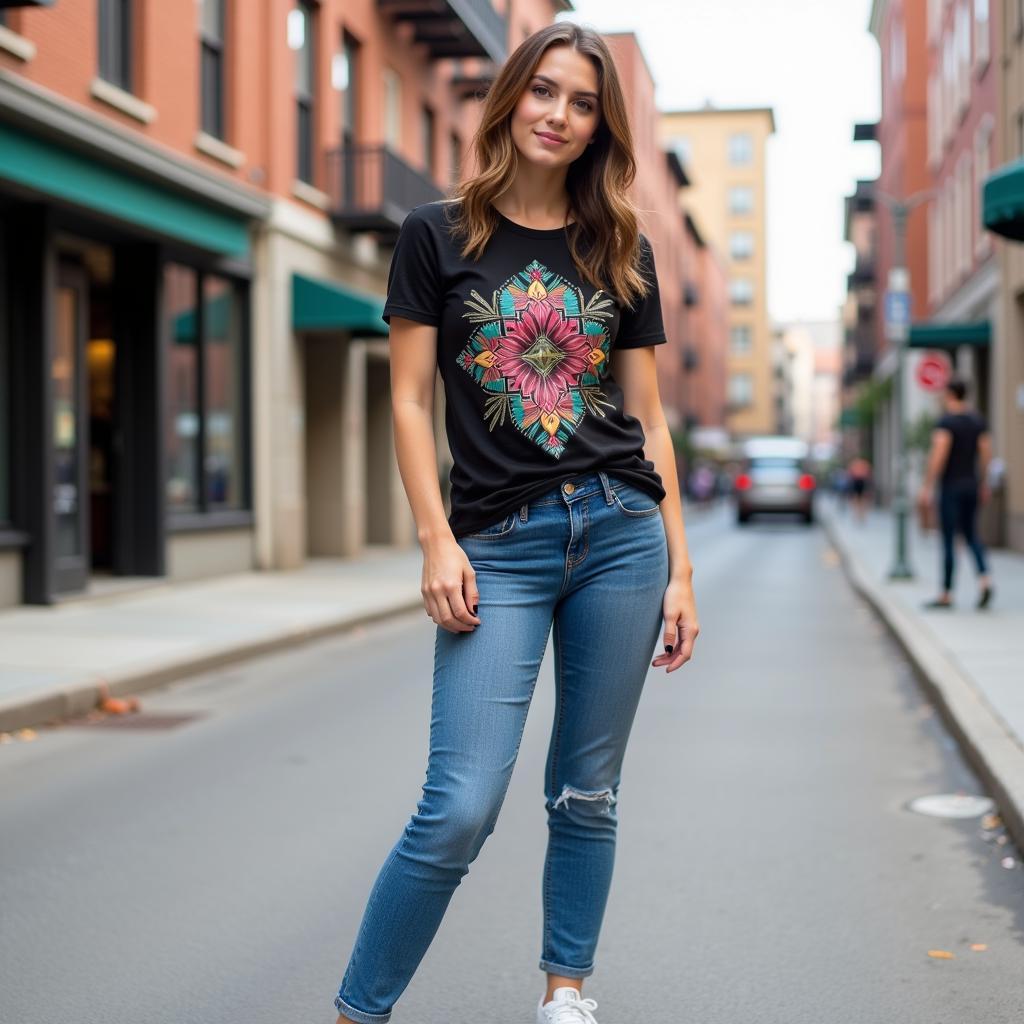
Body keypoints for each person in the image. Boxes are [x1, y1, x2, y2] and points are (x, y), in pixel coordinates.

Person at [332, 23, 699, 1024]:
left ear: (598, 128)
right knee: (458, 807)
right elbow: (409, 401)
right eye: (545, 92)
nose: (559, 116)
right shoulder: (435, 233)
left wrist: (679, 570)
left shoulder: (620, 244)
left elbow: (649, 419)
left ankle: (565, 989)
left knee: (586, 790)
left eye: (583, 104)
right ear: (509, 99)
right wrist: (433, 539)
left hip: (622, 531)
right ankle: (357, 1011)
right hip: (496, 543)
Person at [918, 376, 993, 609]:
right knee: (972, 535)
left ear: (950, 394)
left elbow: (939, 454)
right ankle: (985, 580)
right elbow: (986, 454)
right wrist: (984, 483)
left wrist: (928, 486)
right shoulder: (977, 421)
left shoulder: (946, 422)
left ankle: (947, 593)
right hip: (971, 484)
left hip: (951, 486)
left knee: (949, 538)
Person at [846, 455, 872, 522]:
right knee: (859, 499)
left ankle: (859, 516)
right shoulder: (863, 464)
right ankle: (859, 516)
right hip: (858, 482)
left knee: (859, 499)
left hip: (859, 482)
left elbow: (850, 474)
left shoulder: (857, 464)